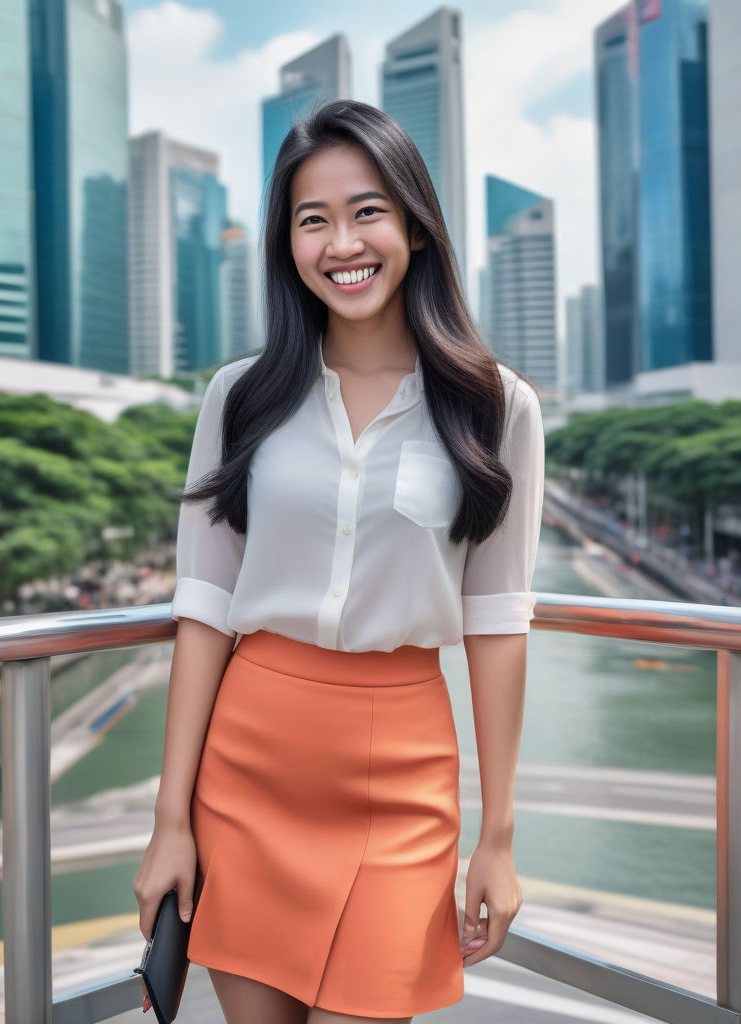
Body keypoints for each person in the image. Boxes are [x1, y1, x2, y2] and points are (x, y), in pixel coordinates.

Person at [132, 99, 545, 1024]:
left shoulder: (496, 406)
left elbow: (498, 623)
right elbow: (203, 608)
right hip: (248, 766)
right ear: (286, 244)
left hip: (401, 773)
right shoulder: (239, 397)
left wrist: (501, 838)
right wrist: (170, 822)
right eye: (311, 220)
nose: (341, 242)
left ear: (413, 224)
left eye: (367, 211)